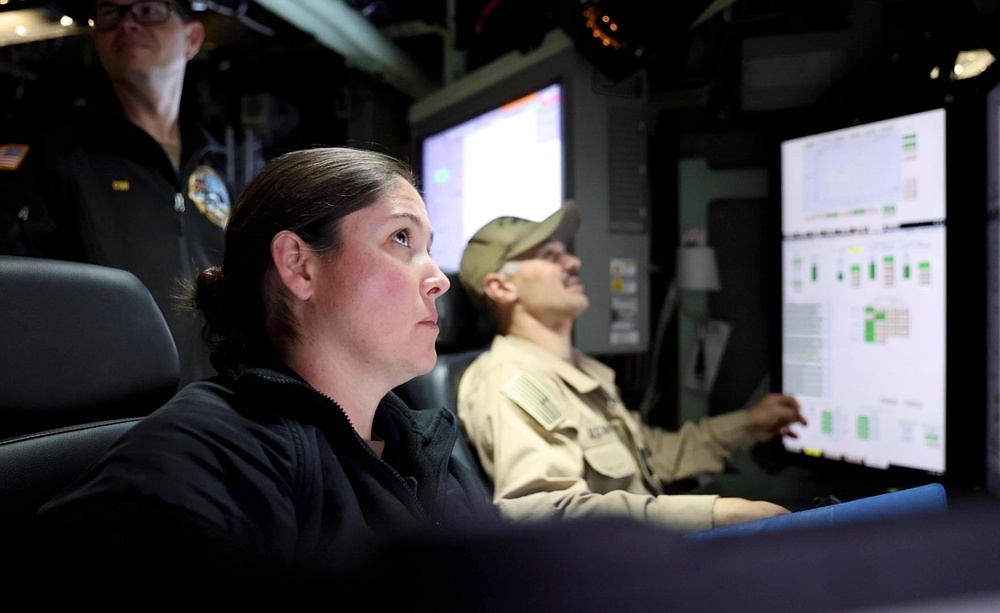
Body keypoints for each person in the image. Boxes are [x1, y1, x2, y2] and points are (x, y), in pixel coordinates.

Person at [33, 147, 498, 588]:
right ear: (299, 266)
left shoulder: (424, 447)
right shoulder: (207, 457)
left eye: (429, 248)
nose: (439, 279)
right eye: (401, 238)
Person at [456, 201, 809, 531]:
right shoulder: (511, 379)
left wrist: (747, 425)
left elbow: (650, 457)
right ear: (500, 287)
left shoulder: (580, 370)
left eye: (565, 253)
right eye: (551, 256)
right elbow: (545, 511)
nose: (573, 263)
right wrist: (716, 514)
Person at [0, 0, 233, 386]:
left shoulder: (215, 164)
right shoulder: (54, 151)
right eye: (111, 14)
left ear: (191, 39)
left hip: (215, 405)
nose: (127, 24)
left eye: (147, 11)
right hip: (110, 409)